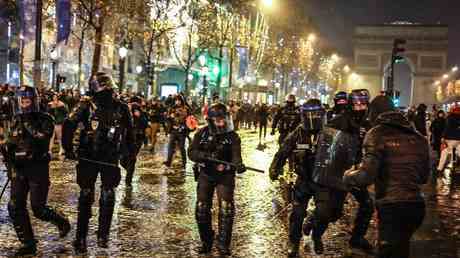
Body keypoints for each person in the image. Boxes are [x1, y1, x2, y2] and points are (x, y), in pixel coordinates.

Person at [344, 95, 430, 258]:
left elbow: (365, 177)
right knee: (401, 249)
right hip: (417, 207)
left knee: (389, 252)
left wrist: (348, 176)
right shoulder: (419, 137)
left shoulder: (376, 134)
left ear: (374, 113)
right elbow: (424, 177)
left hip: (392, 206)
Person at [62, 72, 135, 254]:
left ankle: (103, 235)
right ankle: (81, 237)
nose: (106, 89)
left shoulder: (122, 107)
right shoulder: (86, 105)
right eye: (103, 86)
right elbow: (69, 124)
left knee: (108, 196)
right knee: (86, 195)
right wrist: (68, 148)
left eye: (107, 86)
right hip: (89, 155)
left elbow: (130, 133)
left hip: (110, 156)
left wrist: (128, 155)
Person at [1, 86, 70, 256]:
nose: (24, 105)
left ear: (34, 101)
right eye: (21, 101)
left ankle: (61, 221)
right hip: (19, 168)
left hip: (37, 167)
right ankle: (28, 243)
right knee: (15, 205)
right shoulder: (14, 119)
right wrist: (6, 151)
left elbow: (42, 138)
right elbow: (11, 141)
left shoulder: (45, 118)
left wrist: (28, 123)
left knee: (38, 208)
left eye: (27, 101)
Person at [308, 89, 374, 255]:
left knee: (367, 204)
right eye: (357, 104)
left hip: (355, 172)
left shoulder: (368, 124)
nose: (360, 107)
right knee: (330, 213)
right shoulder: (338, 120)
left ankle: (357, 237)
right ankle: (316, 233)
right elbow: (325, 143)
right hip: (337, 171)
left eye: (363, 104)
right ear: (351, 104)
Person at [188, 103, 245, 256]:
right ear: (211, 120)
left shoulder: (233, 136)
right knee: (201, 208)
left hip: (225, 176)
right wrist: (204, 156)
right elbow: (191, 152)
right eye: (219, 120)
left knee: (226, 208)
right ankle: (206, 241)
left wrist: (237, 165)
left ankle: (223, 243)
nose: (222, 123)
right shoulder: (202, 133)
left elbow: (236, 155)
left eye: (224, 119)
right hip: (206, 173)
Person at [269, 99, 324, 257]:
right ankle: (293, 242)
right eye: (309, 115)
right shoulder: (299, 131)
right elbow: (284, 149)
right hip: (304, 178)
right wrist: (275, 167)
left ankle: (316, 234)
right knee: (297, 213)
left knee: (325, 213)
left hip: (322, 180)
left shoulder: (328, 132)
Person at [121, 97, 149, 187]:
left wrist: (139, 116)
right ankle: (130, 171)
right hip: (126, 138)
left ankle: (128, 181)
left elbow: (145, 124)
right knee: (123, 160)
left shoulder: (140, 112)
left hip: (137, 139)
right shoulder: (126, 112)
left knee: (131, 159)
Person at [164, 95, 189, 168]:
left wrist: (185, 127)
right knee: (170, 146)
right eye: (176, 100)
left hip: (182, 131)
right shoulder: (171, 108)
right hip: (173, 130)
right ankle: (168, 161)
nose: (177, 102)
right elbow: (167, 119)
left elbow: (189, 118)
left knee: (181, 147)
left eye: (179, 100)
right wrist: (169, 117)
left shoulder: (186, 108)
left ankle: (184, 162)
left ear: (181, 101)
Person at [437, 105, 460, 174]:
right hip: (458, 139)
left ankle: (439, 168)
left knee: (444, 153)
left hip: (449, 139)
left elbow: (447, 128)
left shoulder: (450, 118)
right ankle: (454, 163)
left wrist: (443, 137)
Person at [48, 93, 68, 157]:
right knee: (51, 137)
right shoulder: (50, 104)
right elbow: (48, 113)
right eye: (53, 96)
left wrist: (57, 106)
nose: (54, 98)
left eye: (55, 96)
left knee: (59, 137)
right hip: (52, 122)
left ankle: (61, 149)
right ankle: (49, 150)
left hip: (58, 122)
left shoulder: (61, 104)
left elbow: (65, 113)